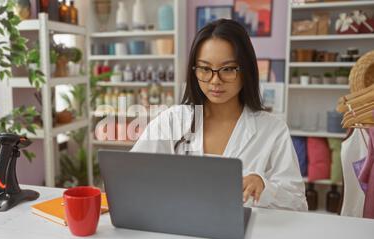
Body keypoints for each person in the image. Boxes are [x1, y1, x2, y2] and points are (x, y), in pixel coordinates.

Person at [131, 19, 307, 211]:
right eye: (205, 69)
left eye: (228, 69)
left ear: (246, 69)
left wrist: (264, 186)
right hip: (179, 234)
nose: (215, 80)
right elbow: (131, 176)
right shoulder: (172, 121)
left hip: (248, 238)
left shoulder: (272, 130)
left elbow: (297, 204)